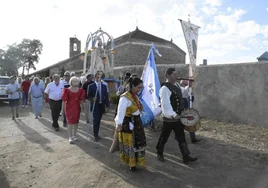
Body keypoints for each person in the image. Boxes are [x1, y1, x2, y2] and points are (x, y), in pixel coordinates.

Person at [156, 68, 197, 164]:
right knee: (164, 137)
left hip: (178, 118)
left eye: (176, 74)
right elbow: (165, 105)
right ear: (167, 76)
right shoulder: (164, 89)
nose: (176, 76)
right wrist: (174, 115)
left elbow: (185, 93)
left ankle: (186, 156)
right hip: (169, 119)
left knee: (181, 137)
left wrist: (189, 86)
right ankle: (159, 152)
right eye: (174, 74)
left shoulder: (177, 85)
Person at [114, 77, 146, 171]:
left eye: (141, 88)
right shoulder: (125, 98)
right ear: (132, 86)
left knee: (138, 143)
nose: (140, 90)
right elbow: (120, 113)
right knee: (131, 144)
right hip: (128, 124)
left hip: (137, 123)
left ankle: (137, 160)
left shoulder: (135, 96)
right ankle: (132, 164)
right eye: (138, 87)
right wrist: (118, 124)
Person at [109, 72, 131, 153]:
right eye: (126, 79)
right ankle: (116, 145)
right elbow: (117, 93)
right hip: (121, 109)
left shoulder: (133, 90)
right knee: (119, 127)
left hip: (129, 112)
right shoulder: (122, 87)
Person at [87, 71, 110, 141]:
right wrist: (92, 98)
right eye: (97, 77)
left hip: (101, 105)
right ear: (95, 78)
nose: (99, 78)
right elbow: (88, 96)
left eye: (100, 77)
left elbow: (106, 96)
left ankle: (96, 133)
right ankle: (95, 134)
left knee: (99, 120)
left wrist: (107, 105)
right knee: (96, 120)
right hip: (95, 105)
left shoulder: (104, 86)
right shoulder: (91, 86)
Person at [62, 77, 85, 144]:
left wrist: (83, 107)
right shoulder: (67, 90)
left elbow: (81, 100)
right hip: (69, 108)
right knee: (70, 123)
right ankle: (70, 136)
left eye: (76, 81)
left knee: (76, 122)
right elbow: (64, 100)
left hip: (77, 108)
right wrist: (62, 109)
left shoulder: (80, 90)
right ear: (70, 82)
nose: (75, 82)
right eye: (74, 81)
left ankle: (74, 135)